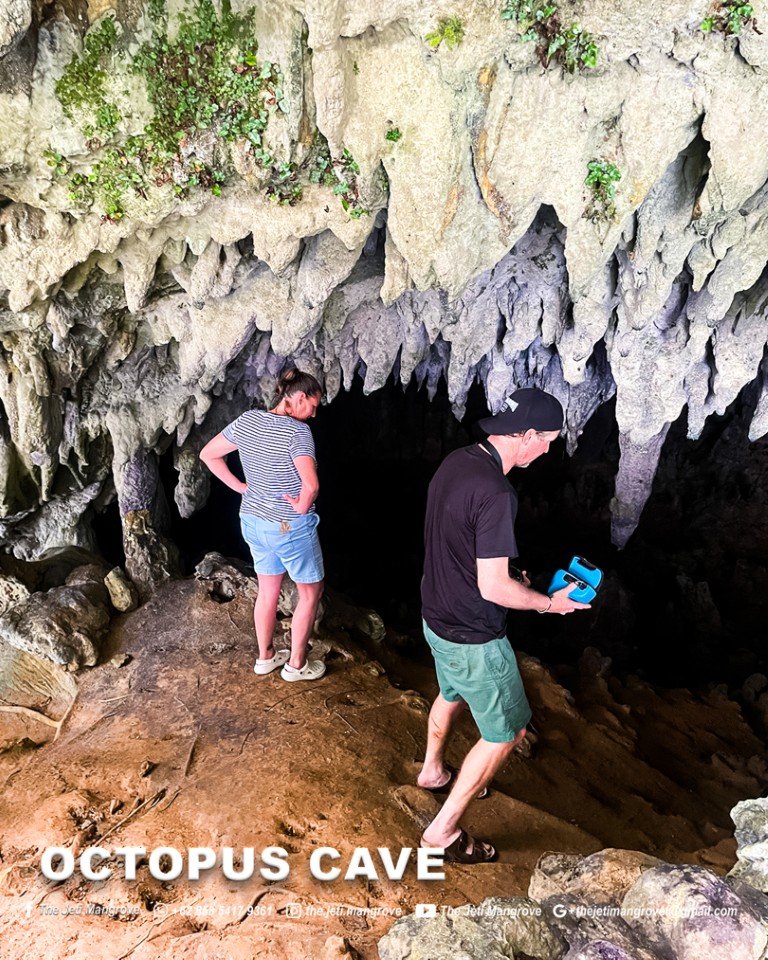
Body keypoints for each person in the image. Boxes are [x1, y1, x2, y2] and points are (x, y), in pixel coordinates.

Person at [417, 386, 590, 863]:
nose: (548, 450)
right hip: (474, 635)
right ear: (527, 435)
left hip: (437, 615)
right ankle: (442, 833)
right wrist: (549, 604)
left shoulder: (458, 462)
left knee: (452, 691)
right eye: (548, 441)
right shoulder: (497, 492)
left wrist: (510, 576)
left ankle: (432, 771)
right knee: (506, 734)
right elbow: (493, 588)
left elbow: (456, 540)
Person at [199, 369, 326, 682]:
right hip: (288, 527)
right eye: (312, 406)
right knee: (310, 593)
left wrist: (241, 487)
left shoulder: (248, 420)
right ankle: (296, 665)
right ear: (298, 398)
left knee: (267, 591)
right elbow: (311, 485)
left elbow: (209, 455)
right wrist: (302, 505)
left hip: (253, 522)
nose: (313, 414)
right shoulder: (298, 433)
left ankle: (265, 657)